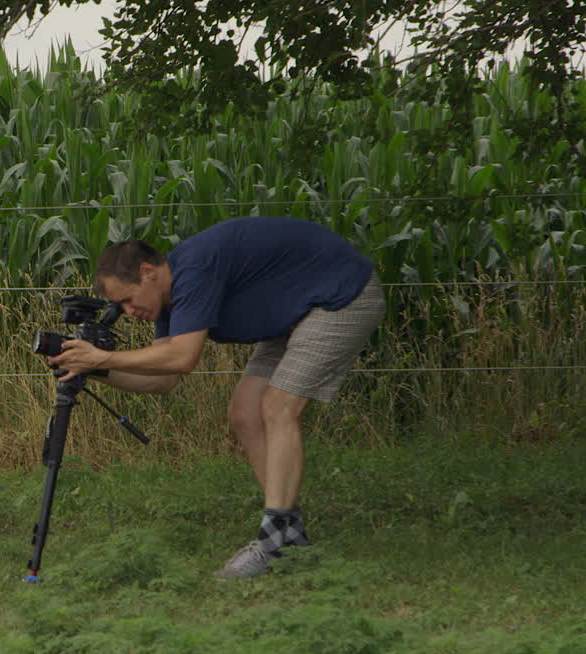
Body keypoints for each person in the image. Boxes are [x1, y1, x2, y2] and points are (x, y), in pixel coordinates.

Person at [50, 216, 385, 578]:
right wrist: (94, 371)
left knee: (277, 406)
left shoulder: (194, 270)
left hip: (341, 296)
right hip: (296, 312)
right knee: (244, 413)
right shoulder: (166, 300)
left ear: (148, 271)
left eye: (128, 300)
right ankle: (291, 536)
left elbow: (183, 356)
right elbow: (165, 379)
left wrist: (103, 357)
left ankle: (275, 542)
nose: (128, 312)